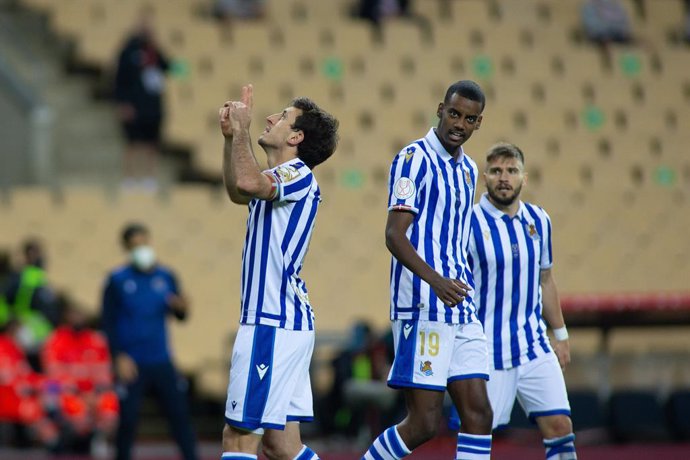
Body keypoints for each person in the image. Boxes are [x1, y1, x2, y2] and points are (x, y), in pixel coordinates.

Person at [362, 80, 494, 460]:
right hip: (423, 306)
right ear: (440, 109)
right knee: (423, 424)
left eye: (469, 119)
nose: (459, 124)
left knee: (479, 414)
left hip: (460, 306)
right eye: (454, 113)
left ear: (478, 124)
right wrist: (435, 281)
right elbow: (394, 234)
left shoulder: (469, 169)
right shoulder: (413, 158)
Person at [217, 84, 339, 460]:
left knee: (239, 437)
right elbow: (240, 191)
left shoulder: (297, 173)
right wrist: (231, 139)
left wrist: (242, 131)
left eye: (283, 117)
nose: (270, 119)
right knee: (281, 445)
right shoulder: (281, 179)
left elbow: (247, 182)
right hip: (286, 323)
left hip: (271, 322)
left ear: (296, 136)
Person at [452, 143, 577, 459]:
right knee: (479, 432)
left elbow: (546, 279)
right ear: (485, 178)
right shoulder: (469, 222)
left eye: (511, 170)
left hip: (533, 346)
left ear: (524, 176)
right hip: (486, 350)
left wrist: (560, 335)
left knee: (561, 427)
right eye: (496, 171)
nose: (504, 178)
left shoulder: (539, 220)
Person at [101, 223, 198, 460]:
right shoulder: (117, 280)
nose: (141, 249)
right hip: (131, 362)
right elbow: (108, 322)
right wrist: (118, 356)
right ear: (126, 248)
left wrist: (183, 309)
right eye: (135, 245)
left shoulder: (166, 276)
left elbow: (179, 314)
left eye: (144, 243)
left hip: (161, 359)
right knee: (128, 420)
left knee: (179, 416)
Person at [41, 299, 119, 456]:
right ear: (67, 315)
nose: (78, 317)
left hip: (94, 392)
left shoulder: (97, 339)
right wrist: (79, 392)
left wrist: (95, 392)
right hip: (69, 392)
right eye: (75, 313)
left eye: (82, 313)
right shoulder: (56, 339)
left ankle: (98, 441)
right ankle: (63, 443)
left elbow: (104, 371)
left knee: (110, 409)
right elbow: (53, 372)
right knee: (77, 414)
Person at [114, 9, 170, 190]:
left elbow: (169, 67)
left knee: (151, 144)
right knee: (132, 143)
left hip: (153, 106)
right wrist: (123, 103)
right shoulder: (128, 51)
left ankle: (149, 178)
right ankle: (129, 178)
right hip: (134, 105)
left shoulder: (154, 52)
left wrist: (156, 45)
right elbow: (119, 79)